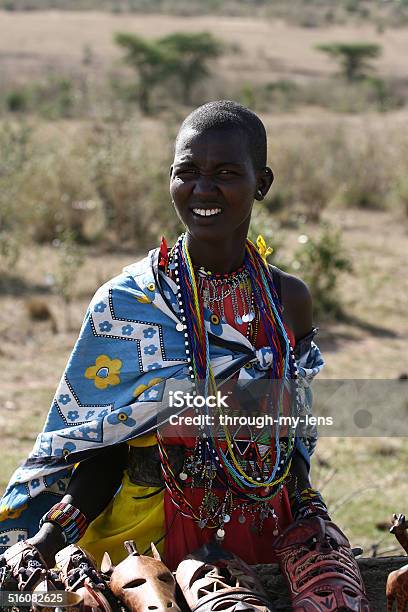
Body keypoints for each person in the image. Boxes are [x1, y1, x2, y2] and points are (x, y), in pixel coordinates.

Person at [0, 101, 370, 609]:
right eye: (188, 172)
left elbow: (293, 435)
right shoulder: (129, 302)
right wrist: (51, 537)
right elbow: (103, 442)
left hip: (267, 525)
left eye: (225, 173)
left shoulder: (288, 301)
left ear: (261, 183)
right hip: (147, 537)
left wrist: (312, 514)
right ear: (170, 178)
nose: (204, 188)